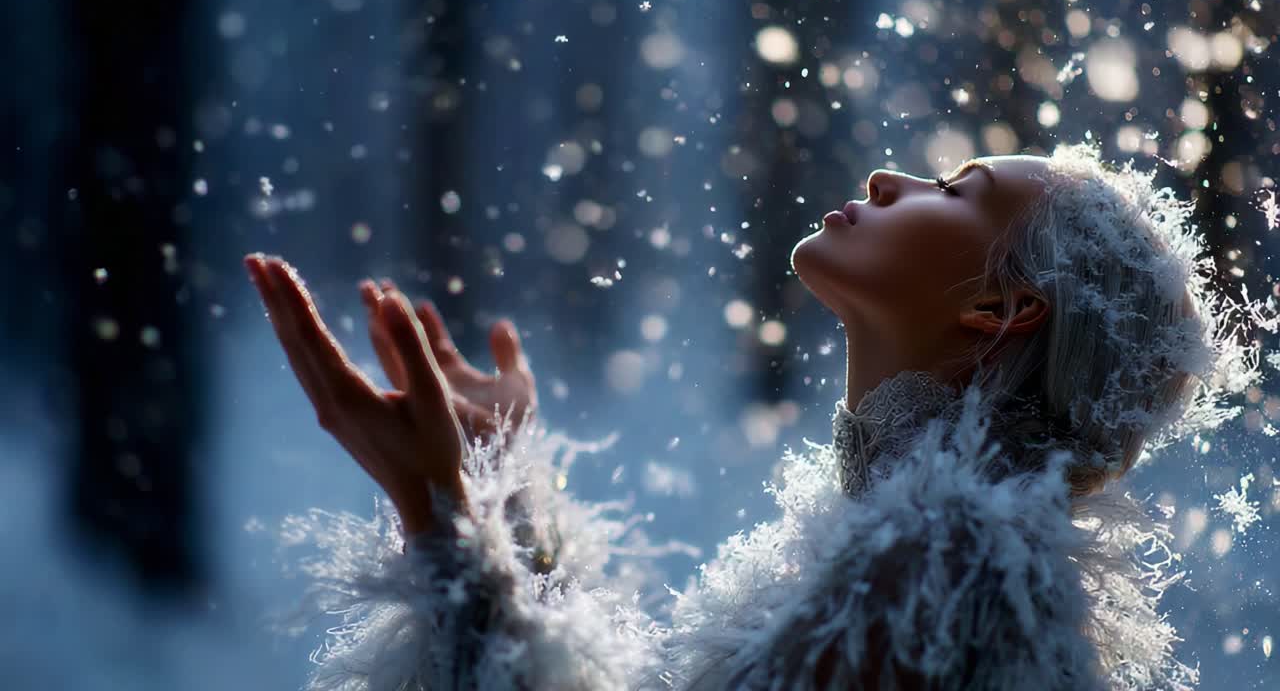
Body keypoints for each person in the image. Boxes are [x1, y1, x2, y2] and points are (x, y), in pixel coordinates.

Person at [246, 142, 1275, 690]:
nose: (887, 176)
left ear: (996, 310)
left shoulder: (939, 565)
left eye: (956, 190)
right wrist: (496, 508)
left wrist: (445, 520)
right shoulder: (922, 549)